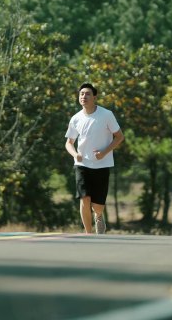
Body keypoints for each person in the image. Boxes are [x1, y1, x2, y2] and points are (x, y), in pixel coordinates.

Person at [65, 83, 125, 234]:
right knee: (84, 198)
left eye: (87, 94)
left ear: (95, 97)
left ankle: (99, 215)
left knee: (97, 205)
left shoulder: (106, 115)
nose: (83, 96)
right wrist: (75, 154)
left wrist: (104, 153)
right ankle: (88, 234)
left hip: (102, 164)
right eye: (81, 94)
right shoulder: (76, 119)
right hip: (81, 164)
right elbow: (69, 143)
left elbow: (119, 137)